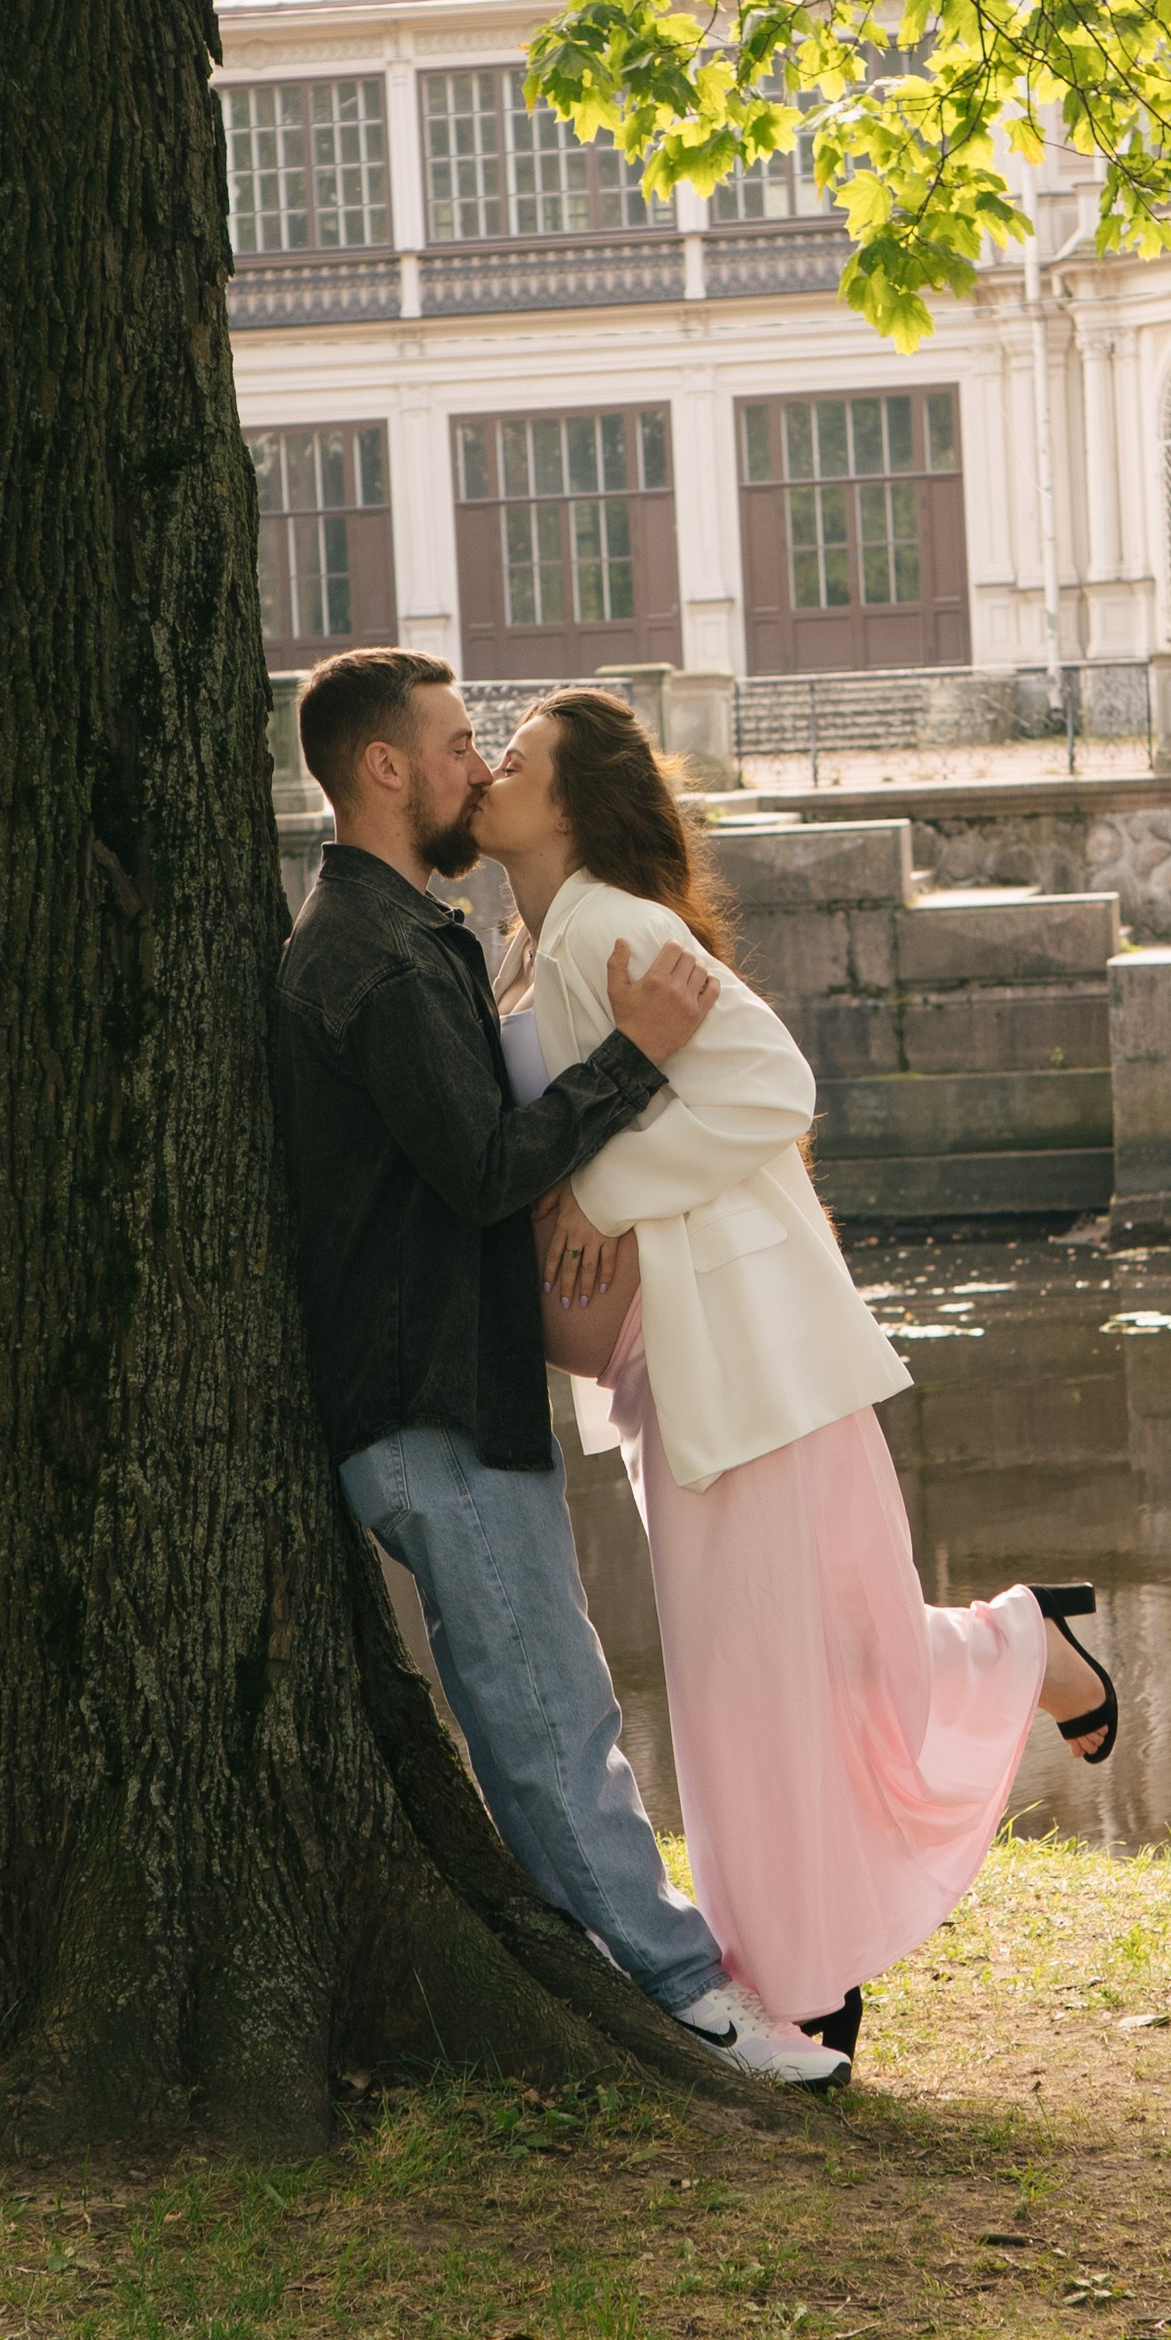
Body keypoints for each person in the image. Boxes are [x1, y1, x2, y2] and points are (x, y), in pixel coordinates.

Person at [474, 684, 1116, 2066]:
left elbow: (772, 1084)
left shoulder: (616, 929)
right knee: (782, 1658)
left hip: (736, 1351)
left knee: (764, 1670)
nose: (487, 770)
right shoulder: (535, 947)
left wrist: (600, 1201)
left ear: (574, 798)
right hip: (678, 1368)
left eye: (511, 757)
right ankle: (1022, 1654)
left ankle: (794, 1979)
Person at [273, 648, 852, 2088]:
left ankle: (646, 1978)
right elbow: (478, 1168)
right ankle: (690, 2004)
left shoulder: (417, 938)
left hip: (454, 1391)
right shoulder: (370, 953)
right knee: (548, 1714)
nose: (479, 766)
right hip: (425, 1401)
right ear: (388, 768)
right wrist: (634, 1063)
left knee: (547, 1700)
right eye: (460, 742)